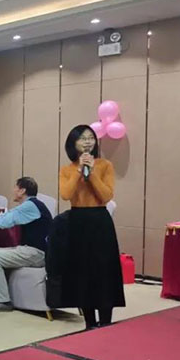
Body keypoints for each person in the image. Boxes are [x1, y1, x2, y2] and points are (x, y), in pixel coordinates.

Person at [59, 124, 125, 330]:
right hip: (78, 221)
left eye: (91, 138)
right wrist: (79, 171)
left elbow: (106, 195)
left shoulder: (105, 165)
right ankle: (89, 323)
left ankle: (105, 321)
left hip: (99, 221)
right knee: (82, 271)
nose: (87, 142)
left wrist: (92, 173)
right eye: (82, 138)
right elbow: (66, 194)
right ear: (73, 144)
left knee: (103, 270)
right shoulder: (67, 169)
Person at [0, 177, 52, 312]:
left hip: (36, 253)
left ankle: (1, 300)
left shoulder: (29, 206)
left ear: (22, 191)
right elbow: (8, 215)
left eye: (15, 187)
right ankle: (0, 294)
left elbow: (5, 220)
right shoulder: (34, 204)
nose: (13, 190)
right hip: (37, 250)